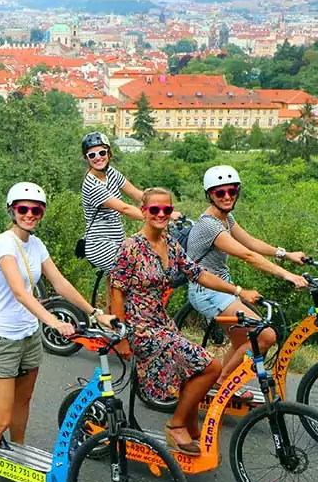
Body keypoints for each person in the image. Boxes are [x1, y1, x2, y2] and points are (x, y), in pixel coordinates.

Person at [0, 182, 114, 482]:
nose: (30, 214)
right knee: (0, 417)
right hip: (2, 338)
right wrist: (53, 322)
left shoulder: (37, 245)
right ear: (12, 210)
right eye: (23, 209)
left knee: (23, 402)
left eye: (36, 209)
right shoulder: (4, 245)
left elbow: (59, 283)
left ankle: (16, 454)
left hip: (28, 336)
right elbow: (21, 292)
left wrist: (94, 312)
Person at [109, 188, 260, 454]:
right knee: (212, 367)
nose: (161, 214)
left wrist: (237, 291)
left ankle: (190, 428)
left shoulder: (169, 243)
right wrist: (121, 336)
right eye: (154, 210)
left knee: (192, 369)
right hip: (140, 327)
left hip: (161, 321)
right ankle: (176, 425)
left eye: (166, 210)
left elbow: (198, 273)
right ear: (143, 212)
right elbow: (116, 291)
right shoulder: (131, 247)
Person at [185, 165, 309, 396]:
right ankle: (223, 382)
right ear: (209, 194)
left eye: (231, 191)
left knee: (242, 340)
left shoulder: (225, 218)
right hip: (207, 291)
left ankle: (217, 380)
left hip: (221, 288)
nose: (227, 196)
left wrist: (286, 254)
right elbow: (247, 255)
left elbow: (251, 243)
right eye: (219, 192)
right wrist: (288, 275)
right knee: (265, 335)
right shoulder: (209, 225)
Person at [80, 131, 176, 275]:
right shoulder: (91, 184)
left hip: (118, 242)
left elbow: (138, 194)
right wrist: (159, 217)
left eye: (102, 152)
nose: (98, 158)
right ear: (86, 158)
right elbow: (124, 208)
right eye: (92, 155)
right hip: (100, 245)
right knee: (141, 273)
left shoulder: (110, 172)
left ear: (109, 153)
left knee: (118, 283)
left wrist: (163, 208)